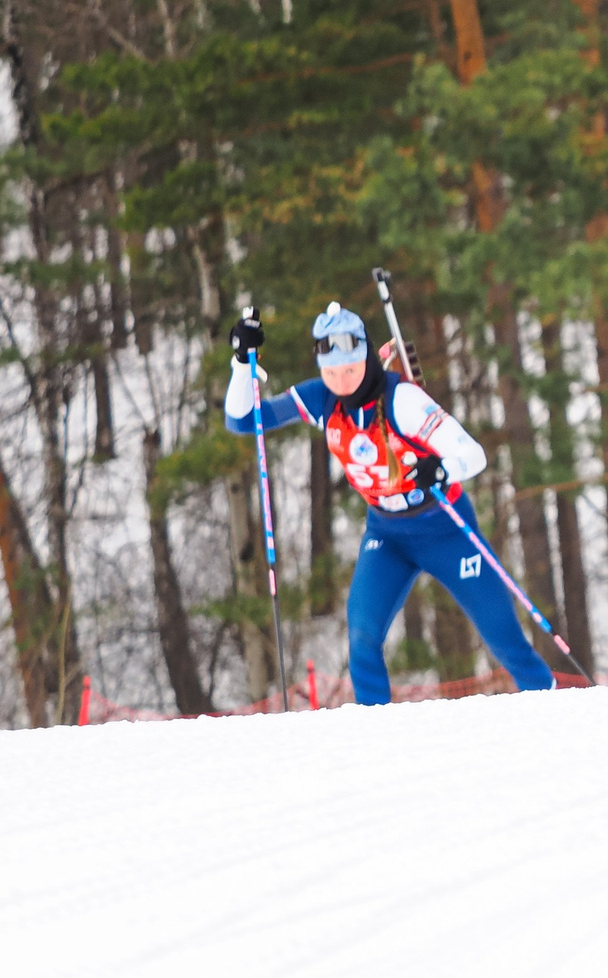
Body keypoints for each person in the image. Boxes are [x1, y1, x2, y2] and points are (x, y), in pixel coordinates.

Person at [224, 302, 555, 705]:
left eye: (350, 370)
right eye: (331, 373)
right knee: (363, 632)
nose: (342, 382)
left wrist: (442, 468)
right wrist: (241, 364)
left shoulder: (403, 399)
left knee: (502, 635)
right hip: (387, 534)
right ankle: (375, 726)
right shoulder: (321, 399)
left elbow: (474, 455)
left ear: (365, 357)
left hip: (444, 527)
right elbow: (244, 421)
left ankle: (551, 704)